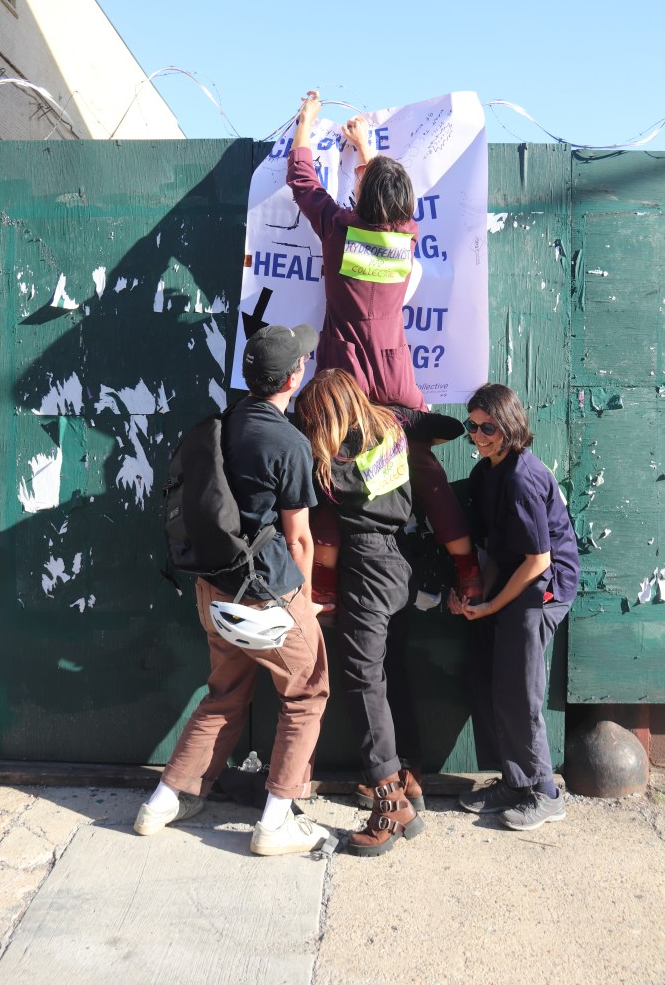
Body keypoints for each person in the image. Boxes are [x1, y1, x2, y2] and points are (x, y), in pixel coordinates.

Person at [134, 324, 334, 857]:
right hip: (270, 593)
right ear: (295, 376)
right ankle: (275, 821)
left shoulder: (223, 422)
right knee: (307, 692)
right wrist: (307, 609)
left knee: (224, 694)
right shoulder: (289, 443)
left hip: (214, 589)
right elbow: (299, 539)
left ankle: (162, 802)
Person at [286, 90, 481, 609]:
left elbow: (302, 181)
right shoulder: (405, 237)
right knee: (422, 468)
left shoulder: (338, 231)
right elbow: (387, 203)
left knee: (334, 474)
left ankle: (323, 586)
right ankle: (468, 570)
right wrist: (368, 149)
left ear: (362, 197)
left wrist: (306, 124)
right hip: (396, 383)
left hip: (345, 386)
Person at [295, 368, 464, 856]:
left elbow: (329, 486)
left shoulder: (336, 457)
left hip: (367, 564)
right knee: (388, 671)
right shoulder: (392, 434)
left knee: (362, 678)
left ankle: (388, 801)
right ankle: (407, 779)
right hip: (398, 561)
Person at [448, 383, 580, 831]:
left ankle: (546, 793)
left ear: (509, 425)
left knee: (520, 688)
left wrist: (490, 608)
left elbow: (538, 561)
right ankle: (514, 781)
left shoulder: (524, 476)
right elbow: (495, 550)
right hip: (514, 575)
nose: (479, 435)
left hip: (544, 586)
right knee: (490, 678)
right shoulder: (488, 472)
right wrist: (477, 598)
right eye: (473, 426)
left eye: (489, 427)